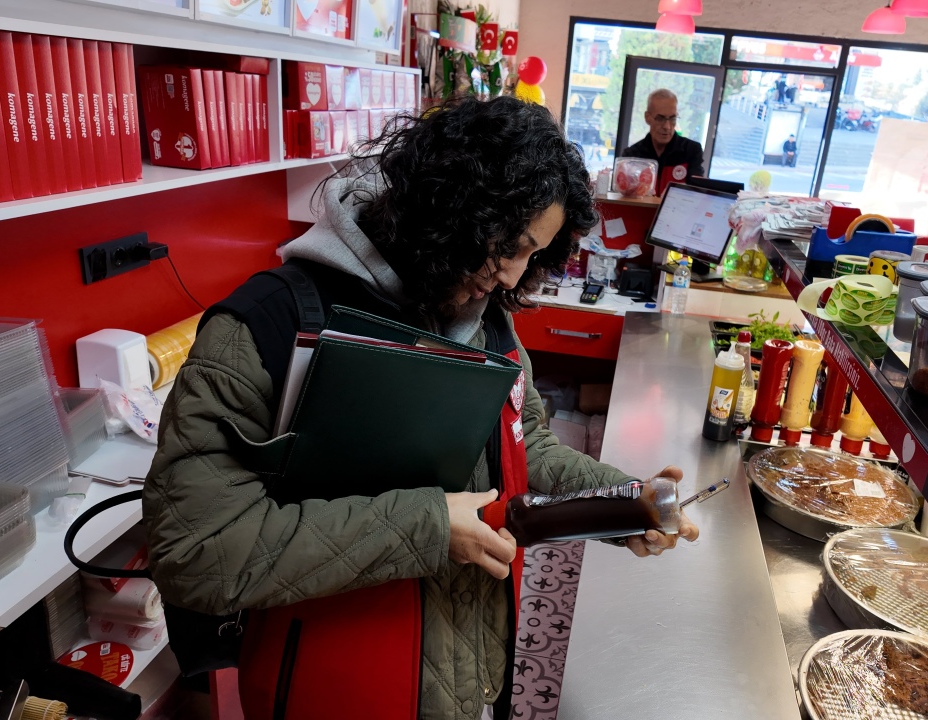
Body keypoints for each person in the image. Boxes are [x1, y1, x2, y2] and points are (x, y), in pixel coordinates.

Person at [142, 95, 700, 720]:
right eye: (508, 246)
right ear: (451, 208)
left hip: (465, 673)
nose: (514, 276)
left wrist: (622, 502)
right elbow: (196, 554)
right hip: (331, 686)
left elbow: (526, 443)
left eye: (532, 255)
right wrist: (428, 527)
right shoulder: (265, 327)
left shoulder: (486, 317)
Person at [622, 88, 704, 177]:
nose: (667, 126)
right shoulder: (631, 156)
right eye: (660, 118)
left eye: (672, 118)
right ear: (647, 117)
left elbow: (696, 189)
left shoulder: (691, 151)